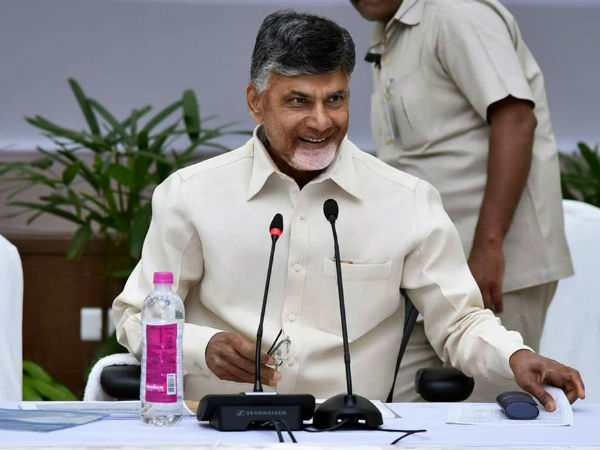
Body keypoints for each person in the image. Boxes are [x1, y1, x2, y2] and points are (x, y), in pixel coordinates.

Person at [113, 10, 583, 410]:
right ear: (256, 103)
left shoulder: (405, 201)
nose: (321, 121)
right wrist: (203, 348)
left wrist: (514, 356)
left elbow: (459, 320)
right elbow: (135, 317)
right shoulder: (191, 194)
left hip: (351, 431)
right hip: (217, 427)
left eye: (335, 99)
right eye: (298, 101)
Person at [350, 0, 574, 400]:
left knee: (486, 415)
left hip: (495, 265)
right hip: (434, 271)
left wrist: (489, 246)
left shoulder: (455, 12)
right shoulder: (391, 30)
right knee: (401, 409)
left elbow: (515, 119)